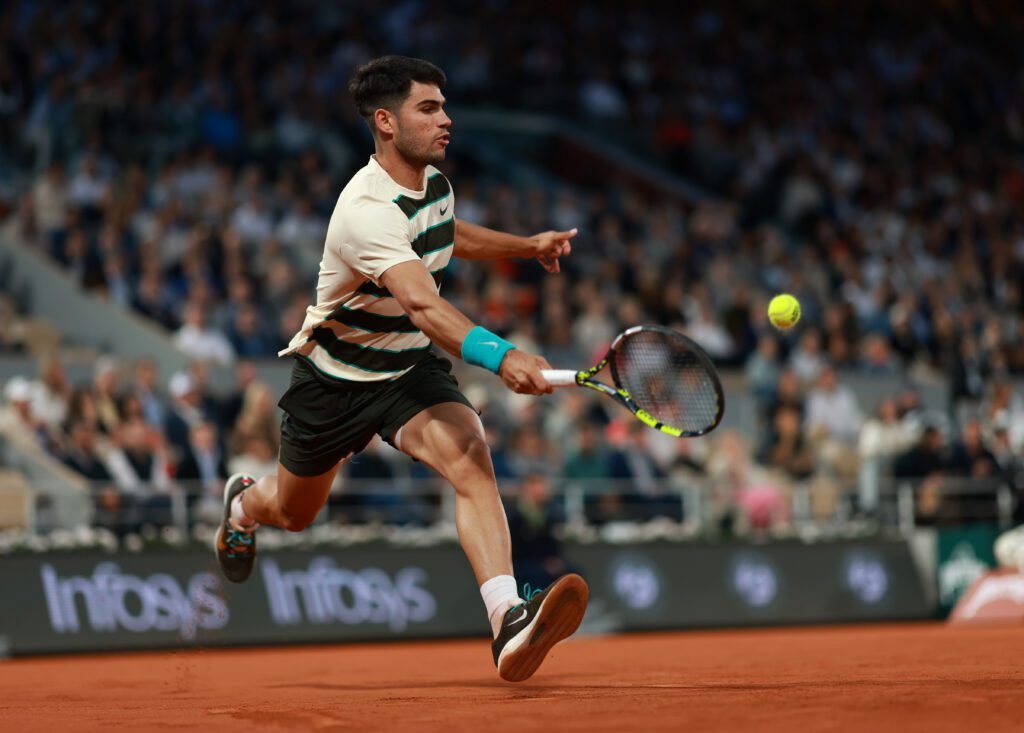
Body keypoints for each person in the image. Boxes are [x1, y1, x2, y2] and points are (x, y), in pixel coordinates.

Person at [213, 55, 588, 682]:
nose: (447, 119)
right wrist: (502, 357)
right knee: (294, 513)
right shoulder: (364, 210)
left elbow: (447, 233)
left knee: (472, 459)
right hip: (334, 381)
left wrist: (528, 246)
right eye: (429, 108)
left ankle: (507, 623)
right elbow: (422, 301)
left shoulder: (433, 185)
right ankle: (243, 509)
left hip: (408, 370)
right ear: (385, 121)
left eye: (444, 106)